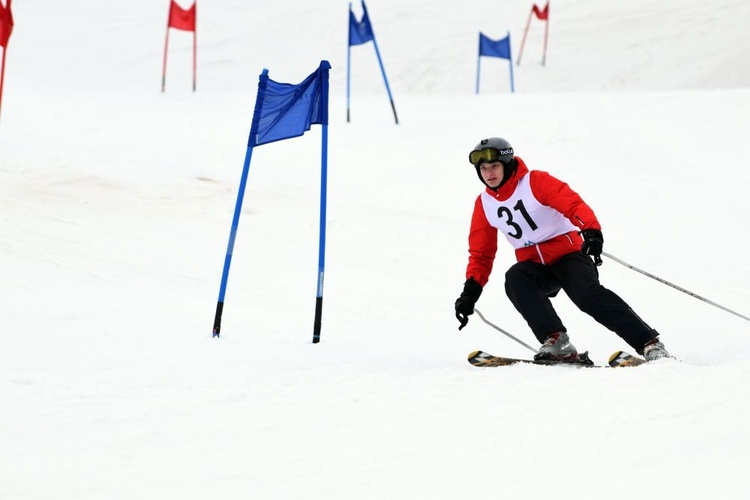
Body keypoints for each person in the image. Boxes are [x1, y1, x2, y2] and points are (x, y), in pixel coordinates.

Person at [454, 137, 670, 362]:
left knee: (588, 296)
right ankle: (557, 342)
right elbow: (481, 252)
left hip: (568, 256)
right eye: (483, 168)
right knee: (516, 278)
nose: (489, 174)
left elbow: (572, 203)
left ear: (507, 165)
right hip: (536, 267)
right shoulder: (485, 204)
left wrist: (591, 231)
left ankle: (650, 345)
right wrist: (471, 291)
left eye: (495, 166)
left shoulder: (534, 181)